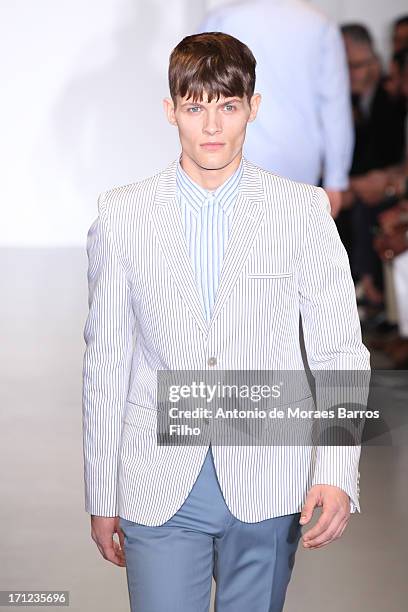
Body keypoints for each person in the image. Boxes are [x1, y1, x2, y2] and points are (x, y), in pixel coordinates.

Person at [82, 32, 371, 612]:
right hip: (158, 474)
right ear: (171, 112)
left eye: (227, 106)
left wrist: (338, 468)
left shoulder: (301, 211)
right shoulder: (123, 214)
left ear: (252, 108)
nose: (212, 127)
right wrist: (100, 488)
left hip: (269, 471)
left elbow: (339, 346)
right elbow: (107, 357)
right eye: (195, 107)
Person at [196, 0, 354, 218]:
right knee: (289, 246)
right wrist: (336, 179)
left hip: (235, 159)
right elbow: (334, 106)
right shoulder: (319, 24)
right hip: (300, 162)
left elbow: (200, 96)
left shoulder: (221, 20)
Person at [338, 24, 406, 307]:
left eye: (357, 65)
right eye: (344, 67)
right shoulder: (348, 102)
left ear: (376, 62)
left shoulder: (392, 100)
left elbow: (390, 157)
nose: (351, 74)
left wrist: (390, 182)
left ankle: (377, 299)